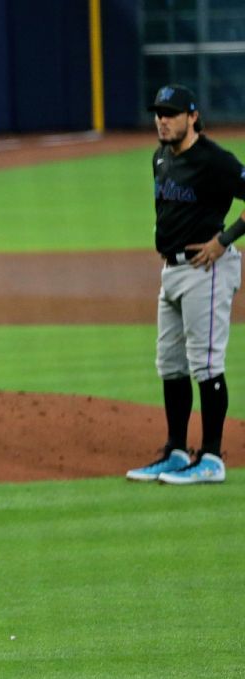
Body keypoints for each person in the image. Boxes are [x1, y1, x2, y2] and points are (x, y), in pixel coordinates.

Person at [125, 85, 244, 485]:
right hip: (172, 272)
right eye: (159, 112)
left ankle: (211, 458)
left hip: (205, 271)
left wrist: (223, 240)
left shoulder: (214, 160)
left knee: (206, 364)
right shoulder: (159, 158)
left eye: (172, 113)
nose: (162, 119)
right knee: (170, 365)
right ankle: (176, 451)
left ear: (192, 116)